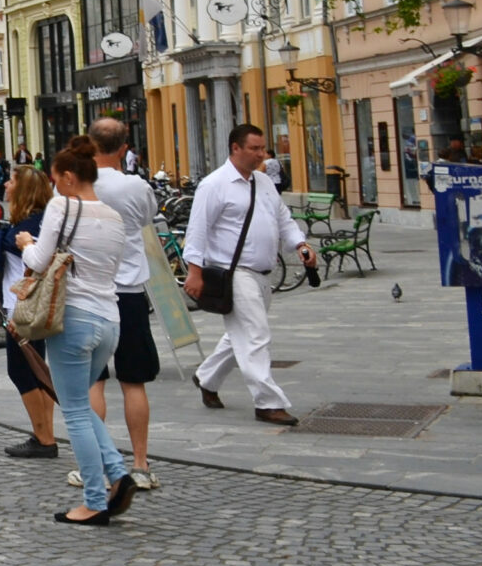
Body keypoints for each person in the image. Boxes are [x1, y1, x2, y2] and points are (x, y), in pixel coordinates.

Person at [17, 138, 139, 525]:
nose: (54, 187)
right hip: (109, 320)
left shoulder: (62, 206)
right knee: (83, 405)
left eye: (56, 180)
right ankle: (119, 475)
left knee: (74, 410)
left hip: (74, 319)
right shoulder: (114, 216)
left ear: (69, 177)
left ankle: (93, 499)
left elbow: (39, 260)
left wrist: (25, 243)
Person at [184, 123, 315, 425]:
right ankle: (268, 402)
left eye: (262, 148)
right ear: (235, 148)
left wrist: (300, 243)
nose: (261, 155)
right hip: (235, 272)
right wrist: (194, 271)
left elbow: (283, 218)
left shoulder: (263, 182)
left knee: (240, 334)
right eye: (254, 149)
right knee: (255, 335)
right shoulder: (214, 185)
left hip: (262, 273)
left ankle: (207, 378)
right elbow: (197, 230)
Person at [80, 117, 160, 492]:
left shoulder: (75, 183)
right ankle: (140, 463)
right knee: (134, 381)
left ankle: (92, 462)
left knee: (93, 381)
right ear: (124, 148)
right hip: (128, 291)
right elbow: (146, 219)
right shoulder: (135, 187)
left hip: (89, 293)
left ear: (90, 144)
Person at [0, 167, 60, 459]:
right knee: (37, 368)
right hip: (36, 308)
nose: (6, 183)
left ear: (24, 191)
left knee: (20, 370)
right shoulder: (45, 223)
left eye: (12, 180)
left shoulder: (20, 233)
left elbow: (27, 269)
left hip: (22, 308)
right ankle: (45, 433)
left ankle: (44, 438)